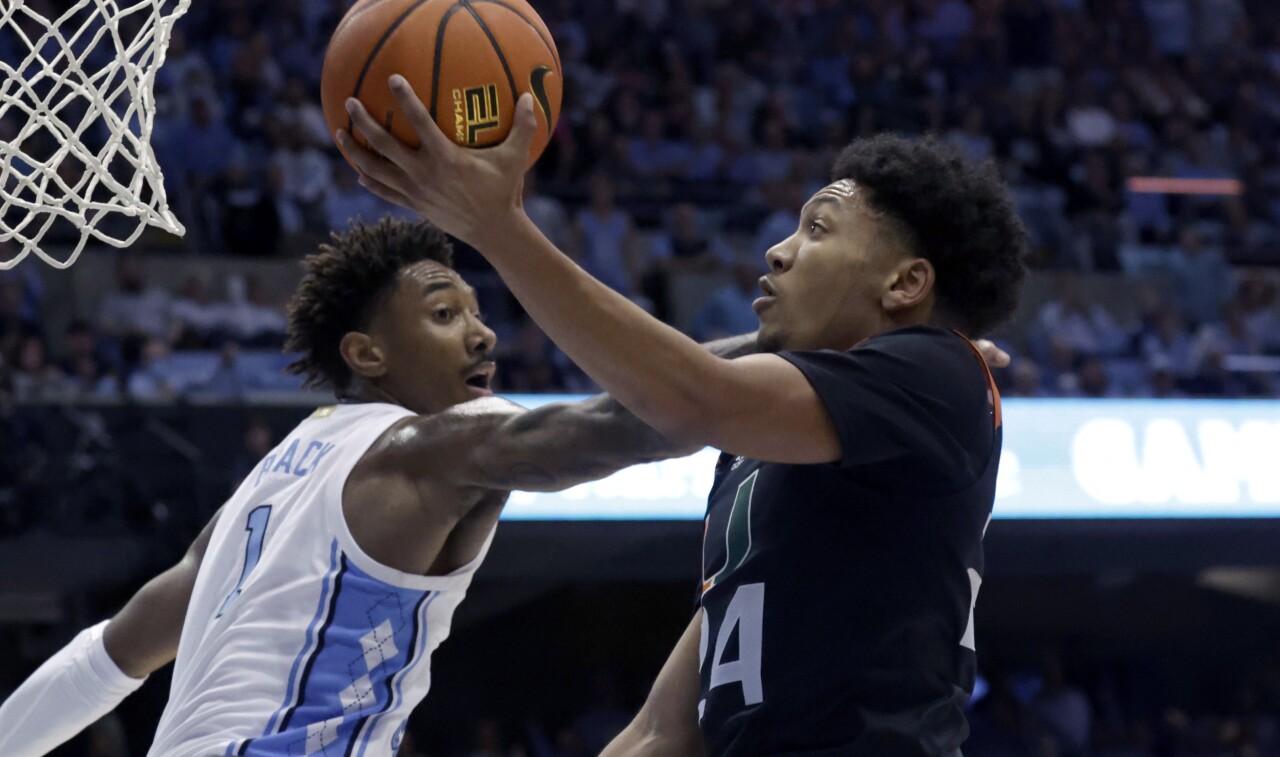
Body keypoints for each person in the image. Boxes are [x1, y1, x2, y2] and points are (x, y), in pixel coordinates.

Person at [339, 81, 1027, 755]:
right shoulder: (760, 451)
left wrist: (497, 226)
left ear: (905, 284)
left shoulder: (940, 372)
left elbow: (694, 396)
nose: (778, 250)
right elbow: (663, 731)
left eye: (816, 229)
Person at [0, 218, 757, 757]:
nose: (483, 333)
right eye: (442, 313)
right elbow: (634, 421)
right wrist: (798, 341)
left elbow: (106, 656)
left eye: (476, 311)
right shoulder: (425, 449)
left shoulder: (268, 482)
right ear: (367, 353)